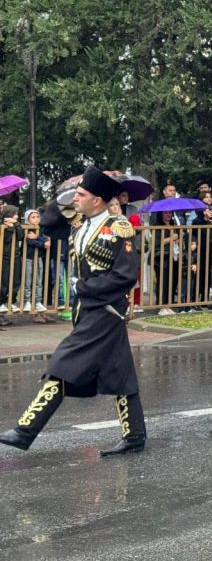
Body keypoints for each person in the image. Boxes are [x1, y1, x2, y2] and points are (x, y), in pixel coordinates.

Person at [1, 166, 146, 455]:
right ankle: (135, 437)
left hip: (104, 310)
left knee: (63, 365)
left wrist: (86, 289)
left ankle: (26, 429)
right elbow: (47, 221)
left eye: (81, 194)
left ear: (98, 200)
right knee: (120, 373)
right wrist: (65, 196)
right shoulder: (79, 223)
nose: (75, 198)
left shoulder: (118, 228)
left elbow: (126, 275)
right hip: (86, 311)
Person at [22, 209, 52, 321]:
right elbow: (30, 241)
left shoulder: (40, 229)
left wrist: (39, 239)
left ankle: (38, 301)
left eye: (37, 217)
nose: (36, 219)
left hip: (39, 257)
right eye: (33, 217)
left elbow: (46, 240)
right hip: (28, 258)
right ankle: (27, 301)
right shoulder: (26, 229)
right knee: (28, 280)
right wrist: (42, 243)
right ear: (27, 219)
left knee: (39, 280)